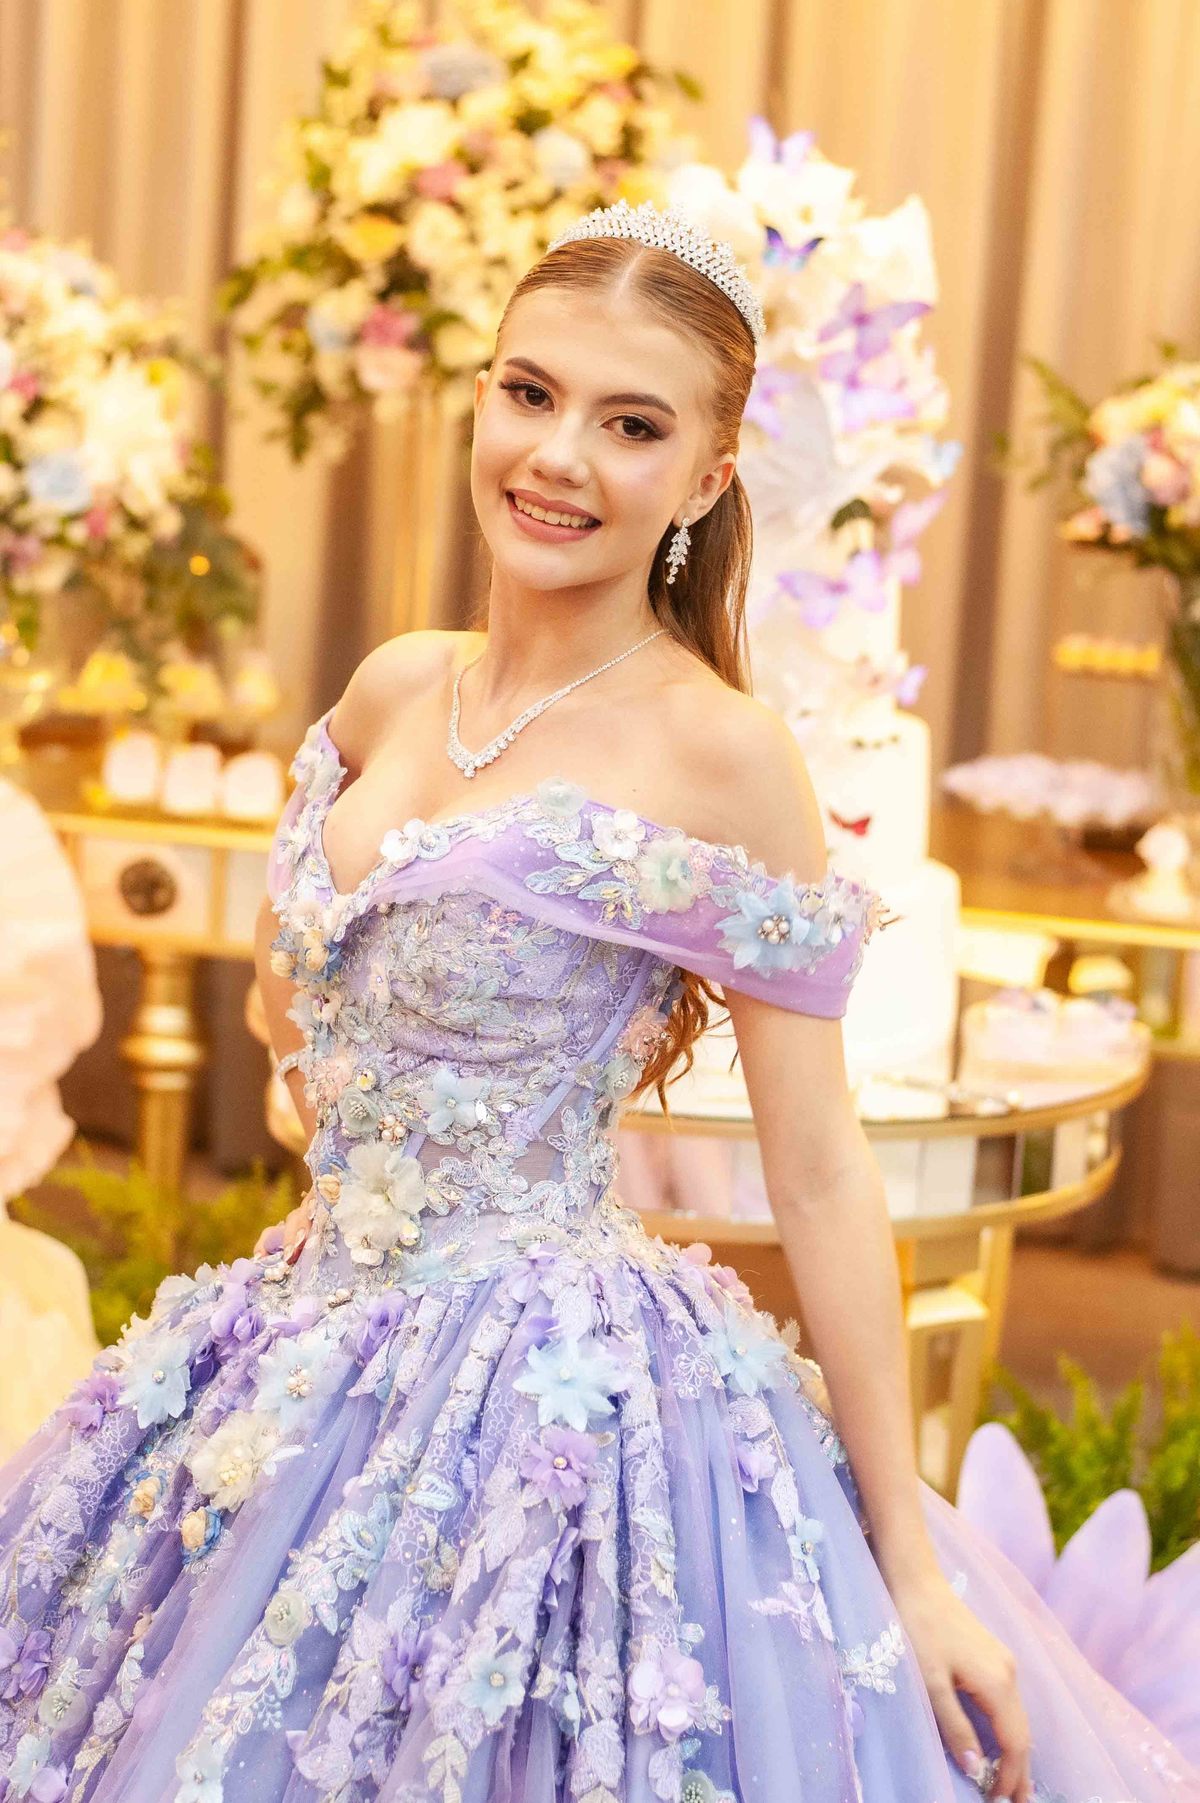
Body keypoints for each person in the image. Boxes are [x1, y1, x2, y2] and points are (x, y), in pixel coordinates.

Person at [0, 202, 1193, 1803]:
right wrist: (350, 1137)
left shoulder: (721, 753)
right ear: (481, 398)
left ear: (707, 478)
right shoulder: (393, 686)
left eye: (632, 425)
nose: (559, 456)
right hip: (301, 1334)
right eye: (530, 393)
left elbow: (819, 1167)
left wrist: (908, 1563)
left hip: (541, 1391)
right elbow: (305, 1002)